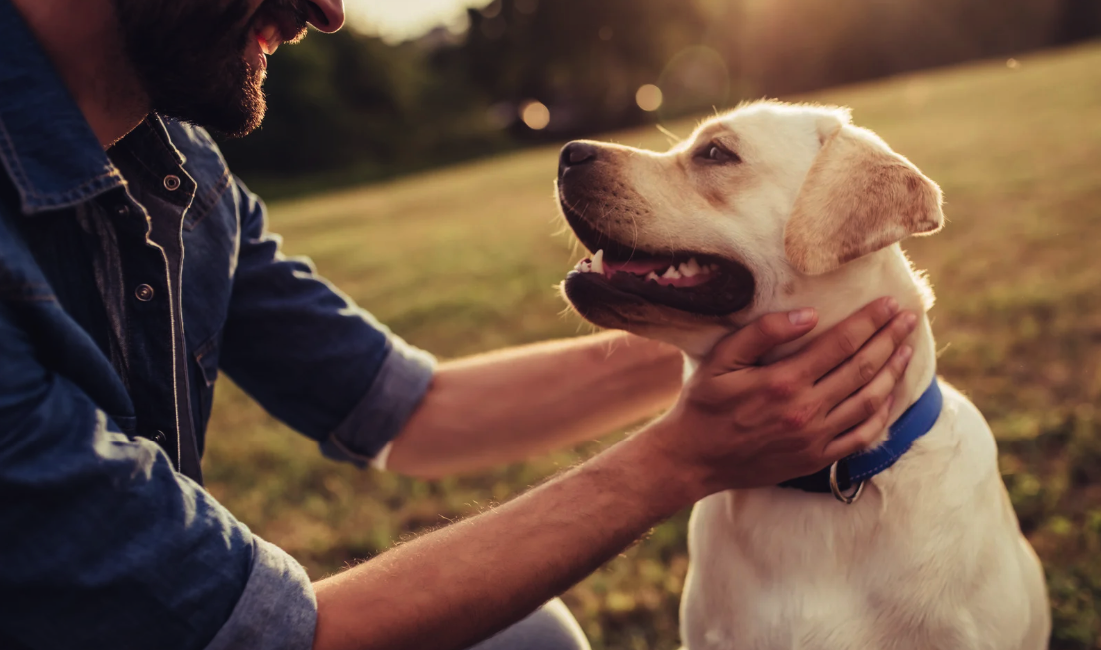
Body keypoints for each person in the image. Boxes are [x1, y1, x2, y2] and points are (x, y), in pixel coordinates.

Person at [0, 0, 918, 648]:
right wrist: (683, 457)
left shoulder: (183, 178)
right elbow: (254, 636)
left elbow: (415, 410)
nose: (328, 10)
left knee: (526, 643)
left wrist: (761, 333)